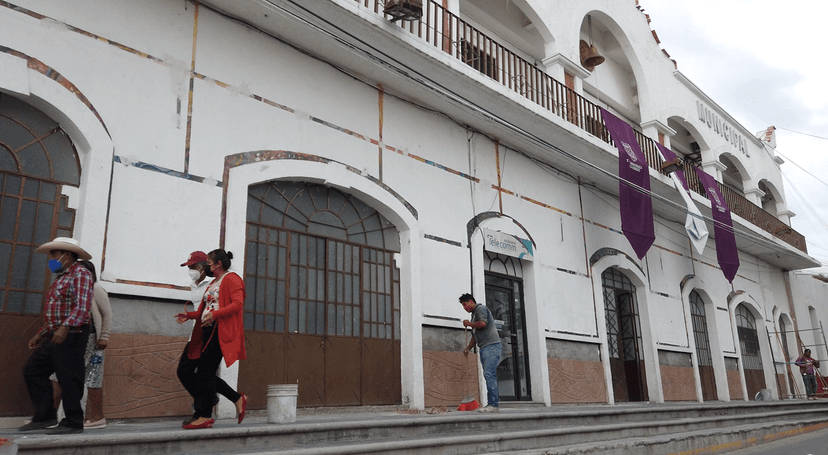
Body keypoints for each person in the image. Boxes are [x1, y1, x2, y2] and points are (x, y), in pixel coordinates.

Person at [19, 237, 94, 434]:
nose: (50, 259)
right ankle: (44, 416)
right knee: (32, 370)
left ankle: (73, 421)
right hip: (55, 334)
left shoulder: (81, 274)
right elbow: (56, 311)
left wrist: (65, 328)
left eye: (53, 254)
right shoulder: (61, 277)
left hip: (72, 334)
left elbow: (82, 307)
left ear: (66, 255)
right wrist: (42, 333)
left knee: (69, 377)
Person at [175, 249, 247, 429]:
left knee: (205, 373)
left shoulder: (232, 279)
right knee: (202, 374)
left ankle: (205, 415)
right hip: (206, 331)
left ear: (218, 264)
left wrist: (216, 314)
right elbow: (204, 309)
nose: (207, 265)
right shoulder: (214, 283)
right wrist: (191, 316)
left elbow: (237, 304)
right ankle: (227, 402)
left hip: (219, 331)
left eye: (209, 262)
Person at [49, 260, 113, 429]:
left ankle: (98, 417)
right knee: (58, 375)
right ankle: (49, 416)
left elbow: (107, 315)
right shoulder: (71, 290)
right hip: (72, 338)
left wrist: (104, 337)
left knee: (93, 377)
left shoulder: (96, 289)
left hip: (92, 339)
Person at [174, 251, 218, 425]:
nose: (190, 270)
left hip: (208, 332)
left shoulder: (212, 284)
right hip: (195, 332)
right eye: (189, 267)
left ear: (202, 267)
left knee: (203, 374)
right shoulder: (194, 284)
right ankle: (208, 400)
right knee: (184, 371)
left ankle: (203, 411)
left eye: (193, 266)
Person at [460, 293, 502, 413]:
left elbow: (482, 324)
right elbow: (475, 335)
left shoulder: (481, 309)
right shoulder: (474, 315)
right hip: (485, 347)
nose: (464, 308)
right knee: (488, 374)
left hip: (491, 346)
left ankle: (493, 405)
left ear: (471, 302)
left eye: (465, 305)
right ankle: (492, 404)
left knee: (489, 374)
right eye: (463, 306)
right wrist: (468, 348)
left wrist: (469, 324)